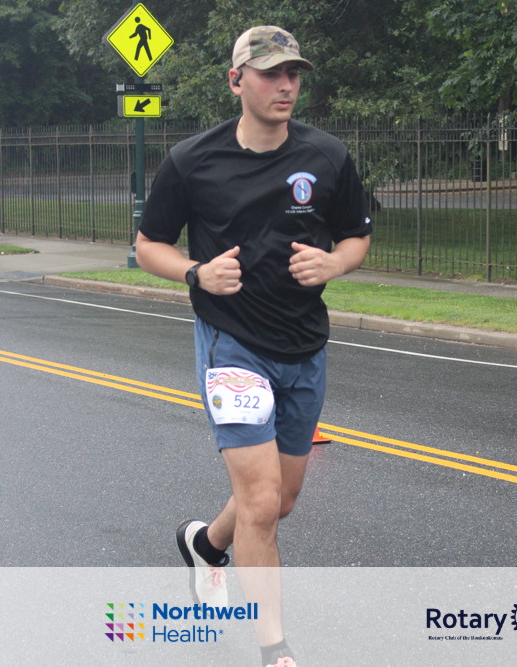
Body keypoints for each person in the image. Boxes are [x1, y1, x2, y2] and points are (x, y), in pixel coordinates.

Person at [135, 25, 372, 667]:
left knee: (279, 501)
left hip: (304, 345)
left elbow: (356, 235)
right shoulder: (193, 160)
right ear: (237, 81)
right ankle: (275, 649)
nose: (285, 85)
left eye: (293, 73)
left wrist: (335, 263)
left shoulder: (327, 156)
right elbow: (148, 245)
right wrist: (195, 272)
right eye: (270, 74)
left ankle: (207, 544)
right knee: (261, 503)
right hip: (232, 344)